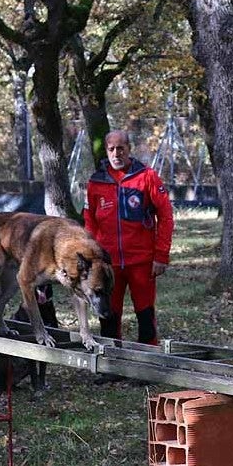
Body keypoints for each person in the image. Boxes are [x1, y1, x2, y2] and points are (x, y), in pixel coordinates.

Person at [84, 130, 174, 380]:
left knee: (144, 312)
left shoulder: (147, 177)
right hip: (108, 263)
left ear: (129, 149)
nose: (116, 154)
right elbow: (89, 219)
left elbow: (165, 216)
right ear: (107, 151)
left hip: (142, 261)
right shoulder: (96, 181)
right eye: (111, 149)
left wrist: (161, 255)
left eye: (121, 148)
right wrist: (92, 257)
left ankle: (148, 367)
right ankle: (113, 366)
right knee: (109, 313)